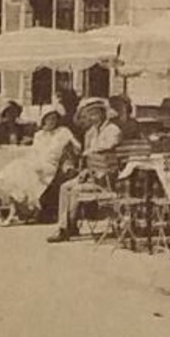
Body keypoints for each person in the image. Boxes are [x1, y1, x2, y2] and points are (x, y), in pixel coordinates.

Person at [0, 105, 78, 225]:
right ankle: (11, 211)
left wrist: (72, 149)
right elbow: (34, 153)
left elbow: (77, 146)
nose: (52, 121)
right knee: (16, 169)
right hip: (37, 164)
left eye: (54, 118)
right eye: (49, 118)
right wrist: (33, 164)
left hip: (50, 167)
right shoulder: (39, 135)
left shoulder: (63, 132)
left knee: (19, 170)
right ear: (44, 120)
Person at [47, 98, 122, 242]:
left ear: (102, 114)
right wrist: (84, 171)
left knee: (75, 191)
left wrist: (91, 153)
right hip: (92, 175)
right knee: (65, 187)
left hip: (107, 178)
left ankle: (67, 228)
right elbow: (87, 157)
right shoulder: (90, 133)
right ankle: (66, 227)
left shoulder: (112, 130)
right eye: (89, 114)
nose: (91, 117)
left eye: (94, 114)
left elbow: (109, 147)